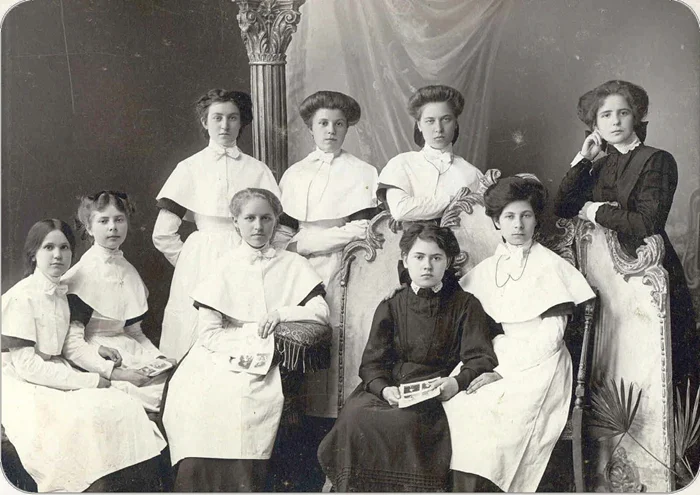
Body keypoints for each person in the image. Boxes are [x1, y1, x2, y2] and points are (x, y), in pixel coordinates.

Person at [162, 188, 330, 492]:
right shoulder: (222, 266)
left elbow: (320, 312)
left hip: (270, 350)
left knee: (250, 398)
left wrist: (280, 314)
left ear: (276, 221)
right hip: (218, 351)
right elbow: (209, 332)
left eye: (266, 218)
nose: (258, 226)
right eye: (250, 218)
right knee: (194, 399)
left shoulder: (293, 264)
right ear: (235, 222)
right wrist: (243, 347)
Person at [317, 223, 497, 492]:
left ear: (448, 262)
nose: (427, 266)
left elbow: (479, 357)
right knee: (355, 417)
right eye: (419, 257)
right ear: (405, 259)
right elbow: (372, 363)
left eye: (436, 258)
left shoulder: (465, 304)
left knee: (407, 423)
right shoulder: (391, 304)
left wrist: (456, 383)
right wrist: (384, 389)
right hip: (390, 387)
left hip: (434, 391)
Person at [443, 176, 595, 492]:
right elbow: (458, 312)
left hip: (542, 364)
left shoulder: (551, 266)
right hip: (499, 353)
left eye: (526, 215)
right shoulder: (489, 267)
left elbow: (551, 337)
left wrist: (502, 372)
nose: (518, 224)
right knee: (457, 406)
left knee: (496, 418)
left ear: (536, 219)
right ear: (497, 222)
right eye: (509, 216)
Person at [1, 219, 166, 492]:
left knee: (123, 405)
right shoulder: (21, 296)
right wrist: (89, 381)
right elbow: (27, 365)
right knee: (81, 419)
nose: (57, 255)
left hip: (55, 370)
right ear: (33, 254)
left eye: (64, 248)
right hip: (21, 381)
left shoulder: (61, 294)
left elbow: (66, 345)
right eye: (49, 247)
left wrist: (99, 352)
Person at [554, 79, 698, 389]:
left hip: (647, 270)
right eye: (605, 115)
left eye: (623, 113)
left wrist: (594, 211)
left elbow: (647, 222)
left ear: (636, 117)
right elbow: (563, 206)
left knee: (655, 368)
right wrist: (584, 158)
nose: (615, 121)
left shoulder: (656, 160)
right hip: (605, 276)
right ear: (595, 125)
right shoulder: (598, 165)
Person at [153, 89, 281, 362]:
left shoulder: (257, 169)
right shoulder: (189, 168)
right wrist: (190, 260)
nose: (225, 125)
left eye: (232, 118)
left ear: (241, 122)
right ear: (205, 121)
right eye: (217, 118)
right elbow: (163, 234)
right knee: (195, 331)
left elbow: (275, 225)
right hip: (201, 258)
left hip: (247, 255)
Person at [280, 90, 379, 420]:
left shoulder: (362, 171)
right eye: (323, 123)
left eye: (339, 124)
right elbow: (284, 230)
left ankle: (335, 416)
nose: (331, 130)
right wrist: (289, 252)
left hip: (344, 264)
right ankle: (300, 419)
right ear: (311, 127)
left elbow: (362, 229)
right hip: (297, 267)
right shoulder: (295, 173)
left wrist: (306, 244)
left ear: (347, 127)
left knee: (340, 337)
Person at [62, 191, 171, 412]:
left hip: (130, 350)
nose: (113, 227)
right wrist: (117, 373)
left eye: (119, 220)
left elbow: (135, 333)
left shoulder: (128, 270)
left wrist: (159, 359)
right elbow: (72, 345)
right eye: (103, 221)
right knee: (153, 398)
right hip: (96, 357)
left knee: (176, 384)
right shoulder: (82, 274)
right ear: (89, 228)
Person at [377, 84, 484, 222]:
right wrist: (453, 200)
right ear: (419, 125)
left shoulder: (472, 174)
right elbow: (401, 210)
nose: (438, 128)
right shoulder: (401, 164)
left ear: (456, 123)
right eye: (430, 121)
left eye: (446, 119)